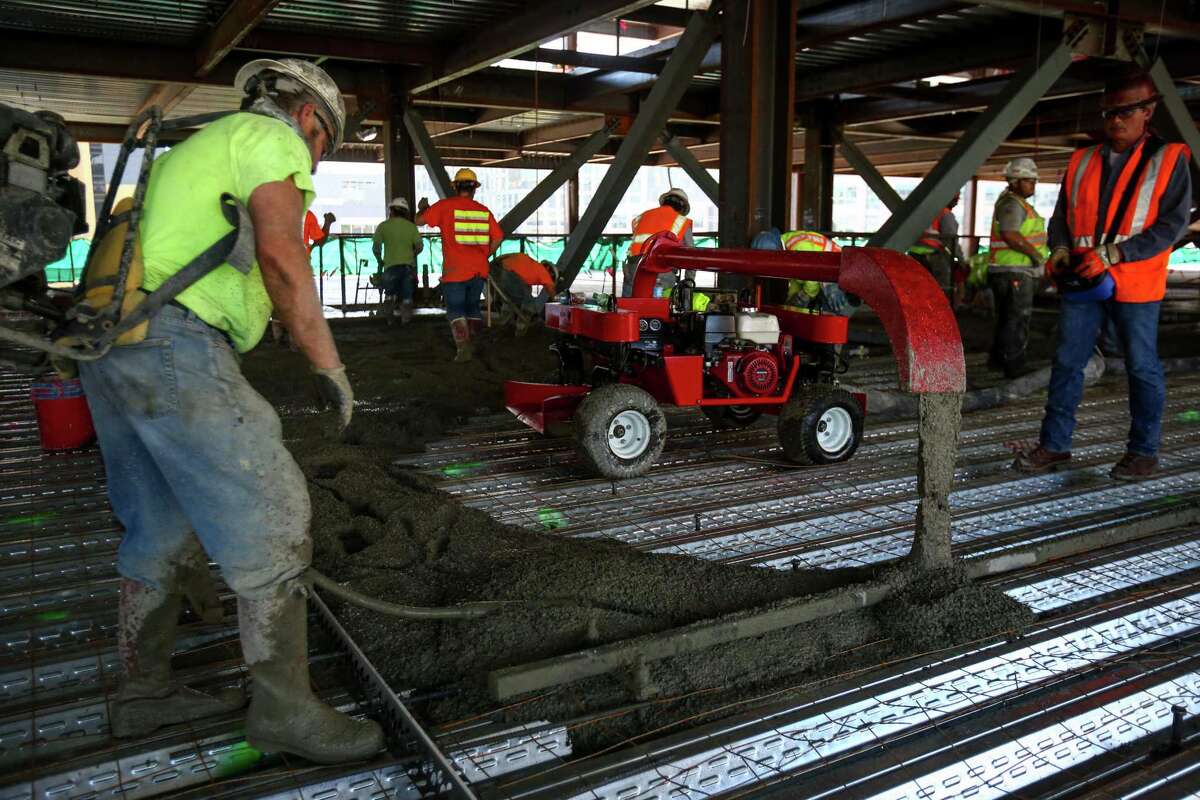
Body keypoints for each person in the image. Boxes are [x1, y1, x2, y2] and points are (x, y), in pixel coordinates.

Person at [76, 58, 383, 763]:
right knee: (275, 515)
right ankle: (284, 713)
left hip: (115, 342)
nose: (314, 162)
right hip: (175, 342)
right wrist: (328, 364)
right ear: (310, 118)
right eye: (324, 147)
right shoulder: (268, 138)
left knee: (157, 523)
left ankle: (143, 696)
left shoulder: (202, 146)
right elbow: (282, 256)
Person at [1015, 69, 1191, 480]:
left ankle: (1143, 452)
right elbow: (1061, 216)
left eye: (1126, 111)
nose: (1115, 120)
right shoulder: (1082, 160)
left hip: (1136, 282)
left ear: (1148, 111)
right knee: (1067, 361)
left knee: (1141, 366)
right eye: (1109, 112)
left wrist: (1116, 252)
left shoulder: (1169, 159)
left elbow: (1172, 225)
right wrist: (1059, 248)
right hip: (1085, 279)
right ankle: (1055, 445)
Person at [416, 168, 502, 362]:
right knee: (472, 307)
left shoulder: (446, 206)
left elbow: (418, 221)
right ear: (474, 189)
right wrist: (484, 254)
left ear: (455, 187)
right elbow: (498, 237)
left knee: (455, 309)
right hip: (478, 270)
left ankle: (463, 348)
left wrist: (423, 208)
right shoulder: (483, 211)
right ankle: (474, 343)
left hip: (455, 271)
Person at [988, 158, 1050, 378]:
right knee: (1017, 318)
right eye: (1028, 181)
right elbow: (1011, 234)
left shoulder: (1013, 203)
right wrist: (1036, 257)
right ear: (1014, 181)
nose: (1032, 185)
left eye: (1034, 181)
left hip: (1008, 270)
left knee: (1007, 318)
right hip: (1014, 270)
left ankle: (999, 361)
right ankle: (1014, 366)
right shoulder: (1012, 204)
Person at [623, 187, 694, 297]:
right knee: (656, 310)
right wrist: (688, 285)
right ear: (682, 207)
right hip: (660, 273)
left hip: (633, 269)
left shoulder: (643, 216)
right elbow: (692, 256)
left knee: (628, 308)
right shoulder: (681, 221)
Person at [372, 197, 423, 324]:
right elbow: (419, 246)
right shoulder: (411, 227)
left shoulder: (383, 226)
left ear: (391, 210)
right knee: (407, 297)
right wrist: (412, 255)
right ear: (405, 212)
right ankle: (405, 321)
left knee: (389, 295)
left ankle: (390, 320)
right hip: (408, 267)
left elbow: (376, 247)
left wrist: (379, 260)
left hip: (390, 267)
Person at [909, 192, 965, 298]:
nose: (956, 203)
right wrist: (961, 260)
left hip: (914, 255)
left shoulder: (924, 211)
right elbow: (951, 240)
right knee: (941, 290)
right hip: (933, 257)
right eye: (955, 199)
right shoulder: (944, 213)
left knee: (918, 289)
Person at [491, 252, 557, 334]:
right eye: (552, 276)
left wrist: (492, 265)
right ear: (549, 269)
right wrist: (559, 300)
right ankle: (521, 327)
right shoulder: (544, 271)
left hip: (495, 272)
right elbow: (550, 289)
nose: (550, 277)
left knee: (510, 297)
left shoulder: (529, 264)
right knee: (529, 301)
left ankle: (504, 318)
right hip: (509, 275)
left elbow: (503, 256)